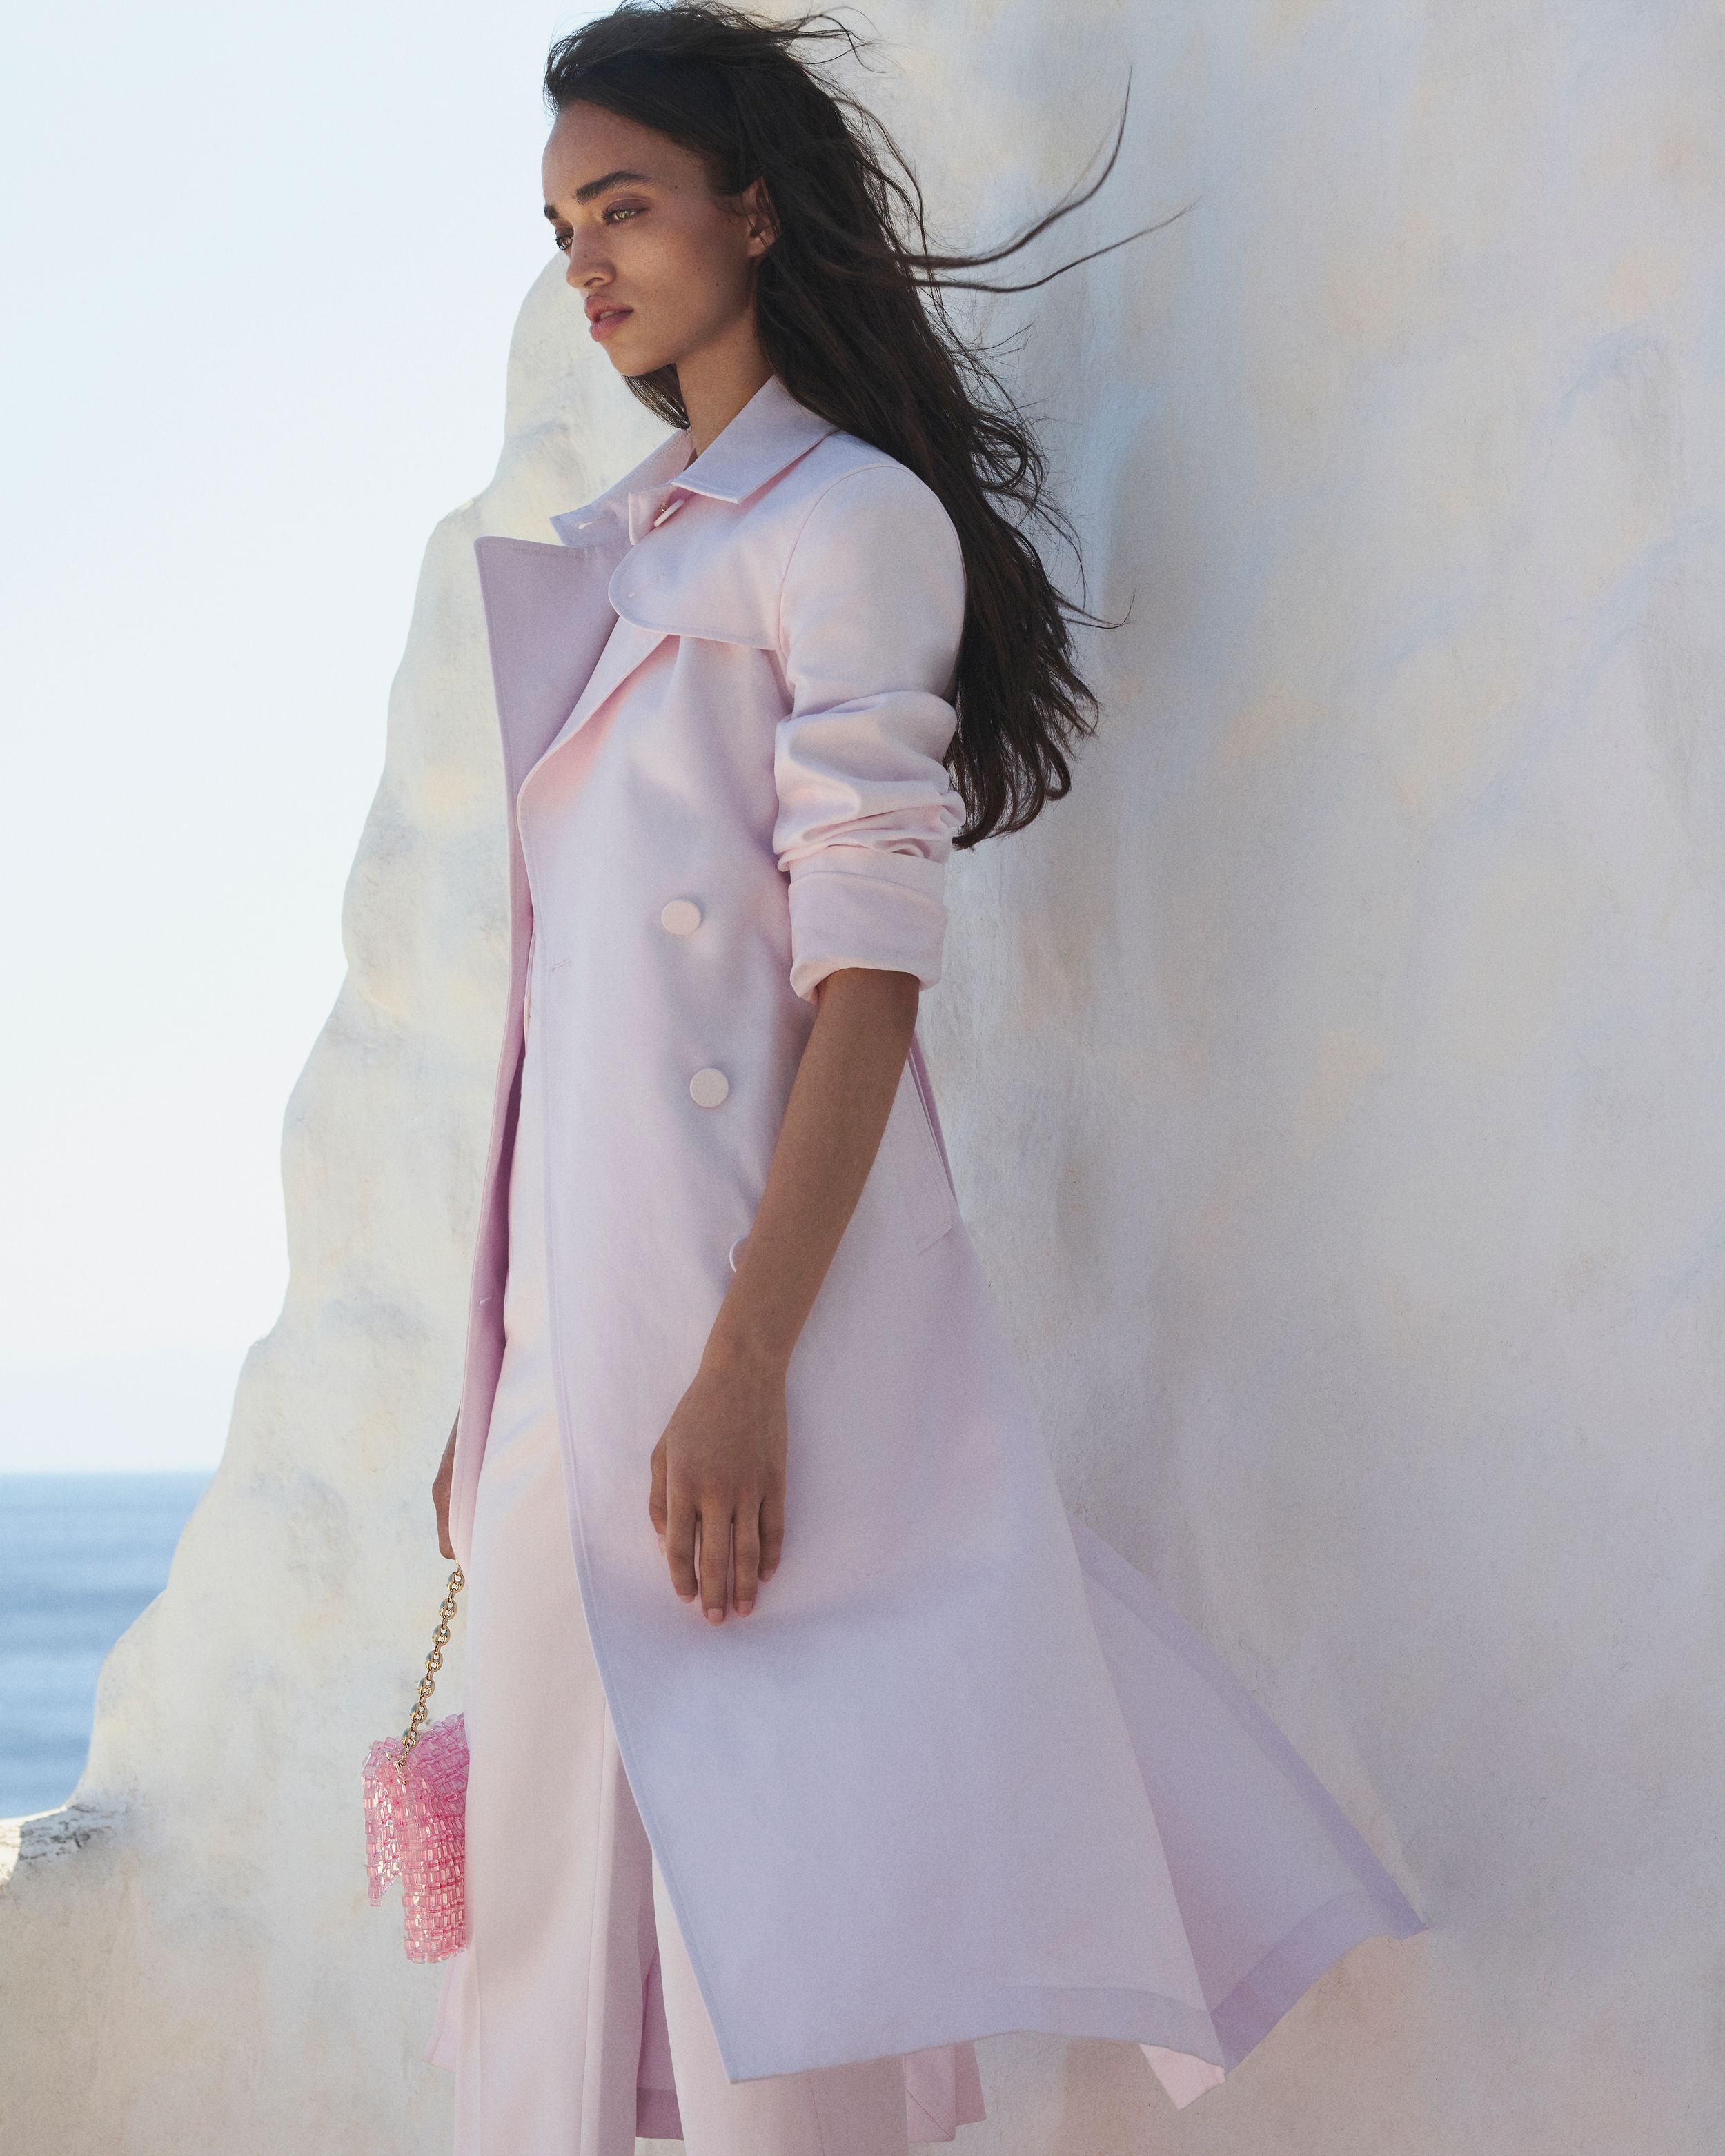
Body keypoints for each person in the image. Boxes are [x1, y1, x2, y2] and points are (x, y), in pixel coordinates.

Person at [423, 6, 1425, 2152]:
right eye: (558, 226)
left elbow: (862, 983)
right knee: (547, 2000)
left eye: (626, 207)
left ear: (754, 212)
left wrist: (746, 1363)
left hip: (723, 1338)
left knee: (776, 1982)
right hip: (547, 1385)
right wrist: (511, 1377)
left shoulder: (841, 525)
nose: (585, 262)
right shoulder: (617, 556)